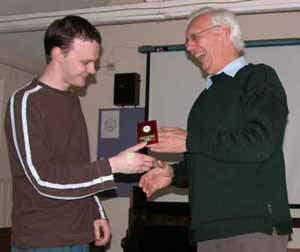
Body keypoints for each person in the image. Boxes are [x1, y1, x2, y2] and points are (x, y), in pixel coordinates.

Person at [139, 7, 292, 252]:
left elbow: (260, 143)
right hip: (208, 232)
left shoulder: (258, 78)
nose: (188, 47)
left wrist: (190, 141)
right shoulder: (203, 101)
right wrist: (172, 174)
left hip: (253, 229)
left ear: (222, 33)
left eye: (194, 37)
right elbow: (204, 159)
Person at [5, 15, 155, 252]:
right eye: (85, 62)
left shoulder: (72, 100)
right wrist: (112, 165)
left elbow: (76, 167)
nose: (93, 70)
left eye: (94, 62)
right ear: (57, 54)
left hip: (78, 235)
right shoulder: (25, 101)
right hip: (43, 240)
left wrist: (96, 211)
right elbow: (42, 179)